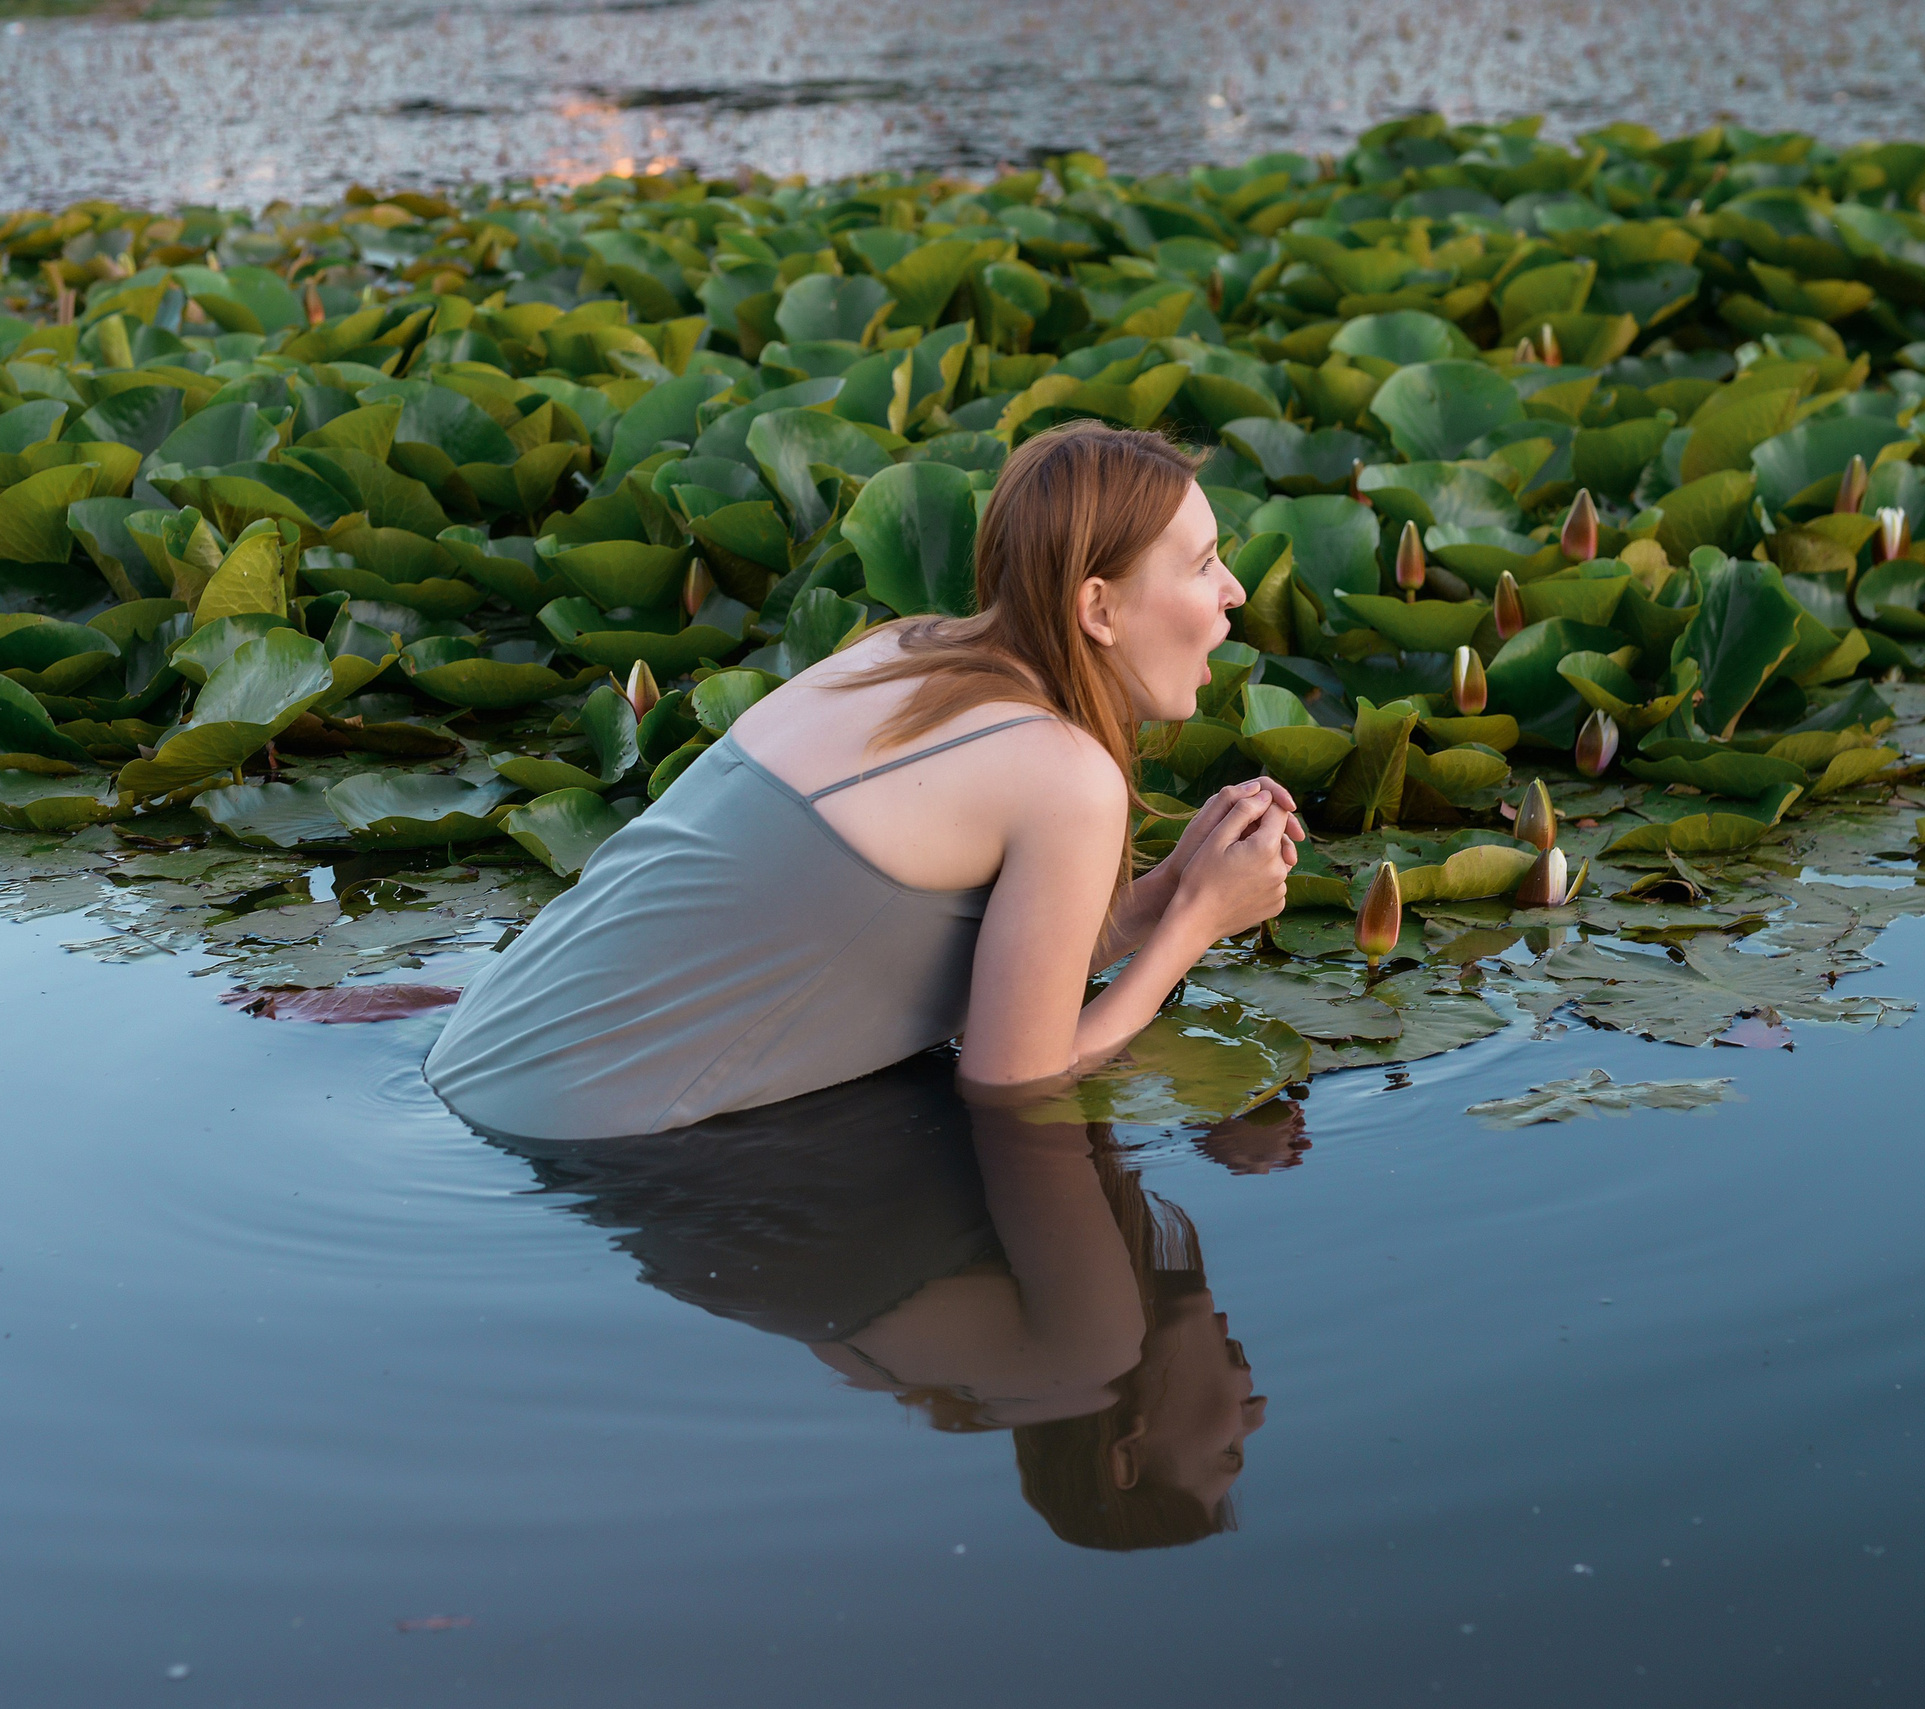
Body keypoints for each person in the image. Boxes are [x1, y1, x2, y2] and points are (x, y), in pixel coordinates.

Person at [425, 420, 1306, 1141]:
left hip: (475, 1048)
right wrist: (1195, 926)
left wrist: (1164, 892)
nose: (1232, 591)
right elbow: (1015, 1085)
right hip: (582, 1136)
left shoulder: (903, 648)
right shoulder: (1067, 773)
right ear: (1098, 609)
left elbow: (926, 958)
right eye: (1202, 564)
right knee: (1081, 1346)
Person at [489, 1055, 1271, 1550]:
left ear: (1123, 1458)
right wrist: (1208, 1107)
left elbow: (1029, 1086)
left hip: (654, 1140)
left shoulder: (1083, 1359)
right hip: (657, 1167)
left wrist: (1199, 918)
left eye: (1227, 1452)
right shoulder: (1010, 1376)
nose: (1255, 1413)